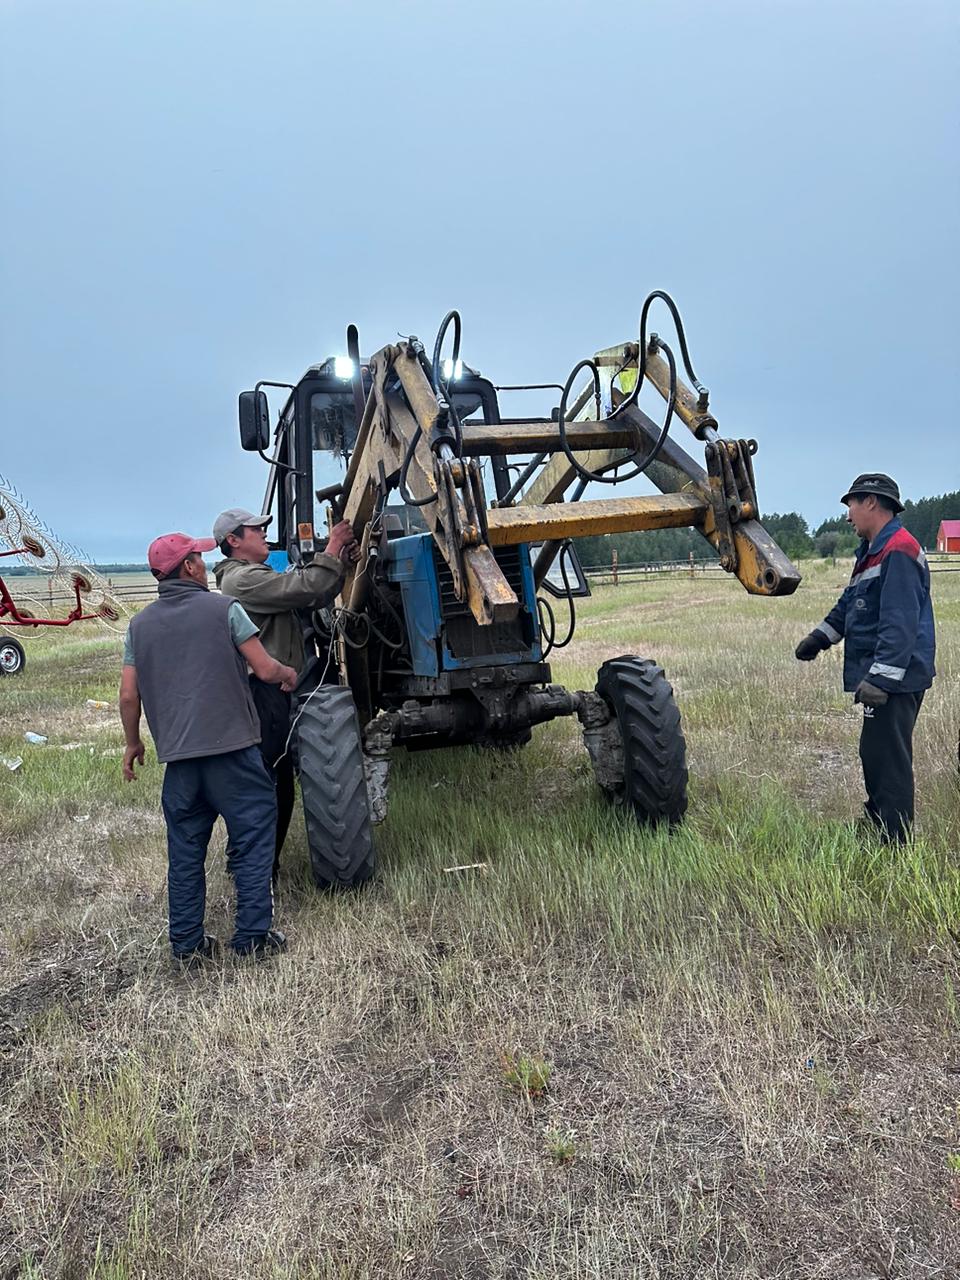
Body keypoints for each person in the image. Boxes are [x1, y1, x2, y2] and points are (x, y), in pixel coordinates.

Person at [119, 531, 298, 964]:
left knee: (185, 853)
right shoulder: (224, 610)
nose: (202, 563)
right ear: (190, 568)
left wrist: (132, 742)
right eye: (197, 558)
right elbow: (263, 666)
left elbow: (128, 695)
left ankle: (187, 946)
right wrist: (287, 674)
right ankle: (252, 938)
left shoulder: (138, 626)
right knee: (254, 838)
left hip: (180, 765)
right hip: (234, 754)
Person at [211, 507, 359, 877]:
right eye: (255, 530)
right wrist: (334, 544)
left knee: (272, 778)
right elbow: (304, 588)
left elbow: (308, 596)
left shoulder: (252, 576)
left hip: (270, 691)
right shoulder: (242, 581)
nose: (264, 533)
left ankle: (258, 865)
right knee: (268, 780)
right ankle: (256, 868)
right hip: (263, 692)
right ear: (234, 541)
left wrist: (336, 560)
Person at [795, 473, 935, 843]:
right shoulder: (873, 551)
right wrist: (819, 638)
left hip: (896, 679)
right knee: (874, 751)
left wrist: (881, 680)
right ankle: (878, 823)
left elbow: (900, 622)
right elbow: (849, 606)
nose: (847, 516)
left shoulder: (899, 550)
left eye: (851, 505)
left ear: (871, 502)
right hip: (884, 677)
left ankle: (893, 839)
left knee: (888, 758)